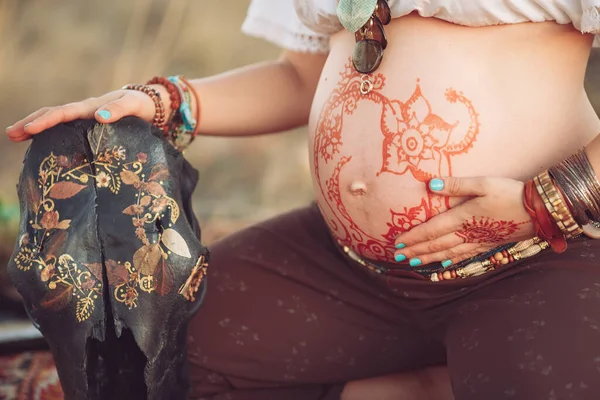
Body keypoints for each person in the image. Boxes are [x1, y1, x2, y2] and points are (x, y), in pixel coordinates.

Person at [6, 0, 600, 399]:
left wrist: (550, 199)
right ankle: (416, 377)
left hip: (531, 261)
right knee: (160, 357)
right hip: (349, 270)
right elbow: (299, 78)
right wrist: (165, 100)